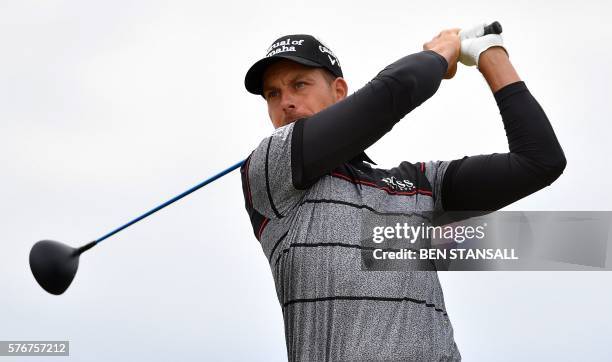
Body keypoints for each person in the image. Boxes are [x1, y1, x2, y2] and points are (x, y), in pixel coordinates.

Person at [239, 27, 566, 361]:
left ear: (339, 92)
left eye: (299, 84)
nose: (286, 102)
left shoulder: (418, 186)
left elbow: (540, 161)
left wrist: (488, 53)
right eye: (272, 94)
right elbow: (391, 95)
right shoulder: (270, 168)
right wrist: (442, 51)